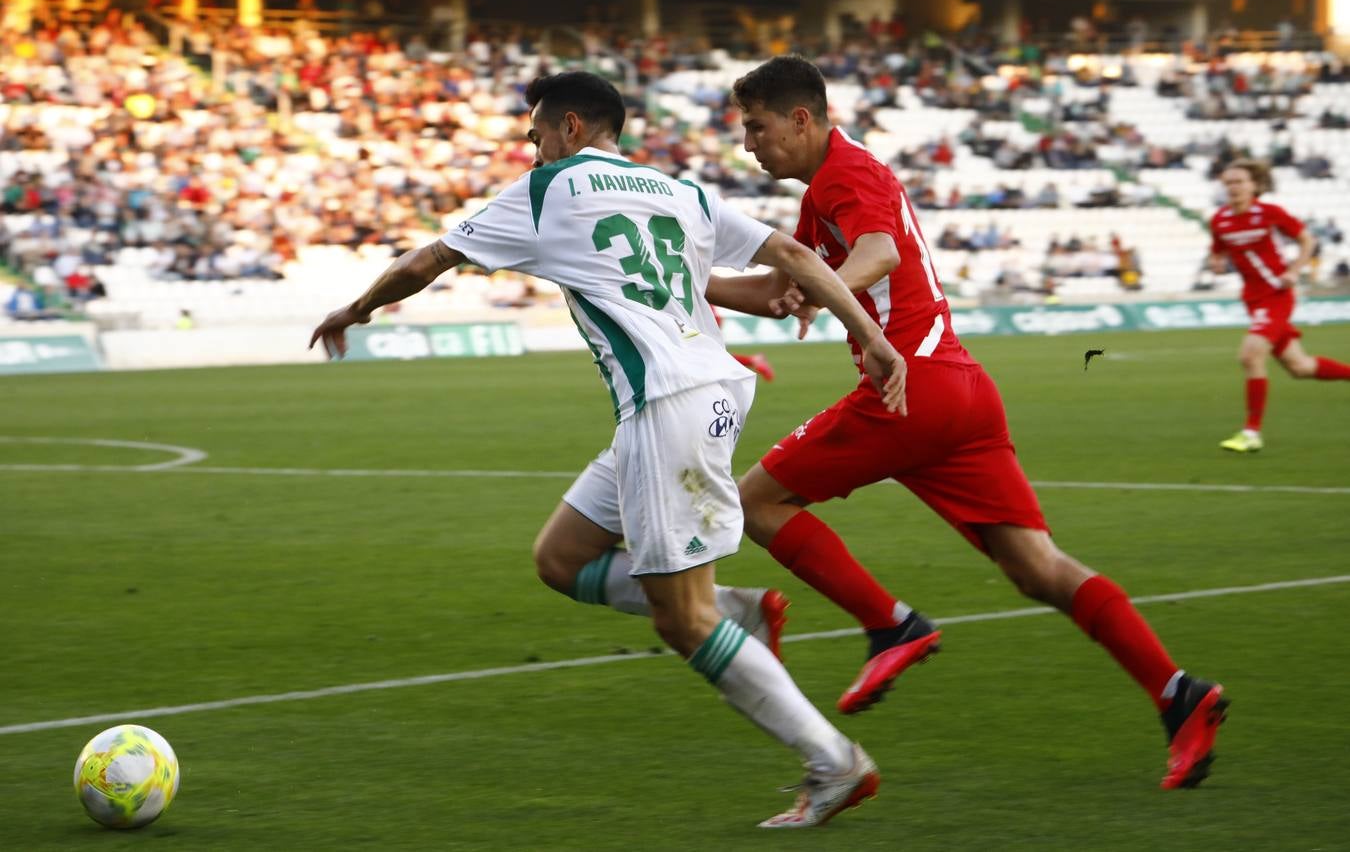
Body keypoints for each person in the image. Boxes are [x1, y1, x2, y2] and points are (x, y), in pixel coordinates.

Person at [309, 71, 909, 828]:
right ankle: (738, 613)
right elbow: (789, 258)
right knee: (562, 558)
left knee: (681, 622)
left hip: (669, 405)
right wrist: (872, 336)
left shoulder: (545, 192)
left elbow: (422, 263)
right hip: (701, 395)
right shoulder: (679, 192)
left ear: (566, 128)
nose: (531, 153)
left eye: (534, 138)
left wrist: (355, 308)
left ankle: (834, 763)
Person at [707, 54, 1228, 790]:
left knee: (757, 500)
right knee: (1037, 569)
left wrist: (822, 291)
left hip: (909, 389)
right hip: (959, 391)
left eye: (757, 128)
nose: (749, 145)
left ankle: (891, 625)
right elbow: (774, 289)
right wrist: (684, 280)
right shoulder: (828, 188)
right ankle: (1181, 695)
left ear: (801, 118)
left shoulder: (843, 176)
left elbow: (878, 254)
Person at [1208, 159, 1350, 453]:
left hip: (1277, 295)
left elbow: (1307, 241)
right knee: (1300, 367)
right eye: (1229, 183)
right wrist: (1216, 261)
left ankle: (1251, 433)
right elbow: (1218, 248)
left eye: (1240, 182)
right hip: (1253, 300)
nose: (1233, 187)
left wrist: (1294, 270)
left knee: (1250, 356)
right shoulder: (1220, 220)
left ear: (1254, 185)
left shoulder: (1270, 213)